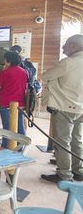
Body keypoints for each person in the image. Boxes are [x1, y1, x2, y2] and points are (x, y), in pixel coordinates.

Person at [40, 34, 83, 183]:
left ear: (73, 46)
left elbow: (45, 76)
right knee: (77, 140)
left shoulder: (68, 63)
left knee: (62, 141)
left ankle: (64, 174)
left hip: (64, 107)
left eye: (65, 45)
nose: (63, 48)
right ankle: (79, 171)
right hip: (80, 108)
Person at [0, 51, 28, 148]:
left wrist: (3, 70)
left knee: (7, 128)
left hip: (6, 103)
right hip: (20, 103)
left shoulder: (7, 72)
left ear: (8, 61)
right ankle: (21, 146)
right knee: (20, 126)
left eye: (5, 60)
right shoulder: (23, 71)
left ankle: (6, 147)